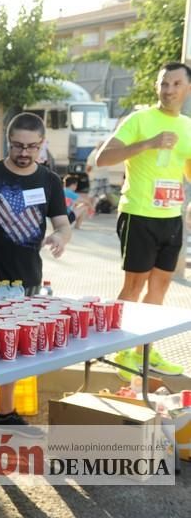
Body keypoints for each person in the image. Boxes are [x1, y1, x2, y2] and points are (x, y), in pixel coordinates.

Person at [0, 112, 71, 438]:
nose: (24, 153)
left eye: (32, 147)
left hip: (27, 279)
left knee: (15, 350)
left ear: (42, 145)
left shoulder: (50, 181)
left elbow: (63, 224)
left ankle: (6, 413)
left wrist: (59, 238)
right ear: (7, 142)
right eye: (17, 146)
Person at [96, 62, 191, 379]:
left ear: (186, 88)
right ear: (157, 87)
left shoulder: (188, 127)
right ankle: (120, 348)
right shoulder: (139, 120)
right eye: (164, 83)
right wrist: (148, 144)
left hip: (171, 217)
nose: (169, 90)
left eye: (176, 84)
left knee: (160, 288)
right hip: (138, 214)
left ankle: (146, 351)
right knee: (133, 287)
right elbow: (103, 159)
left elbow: (187, 168)